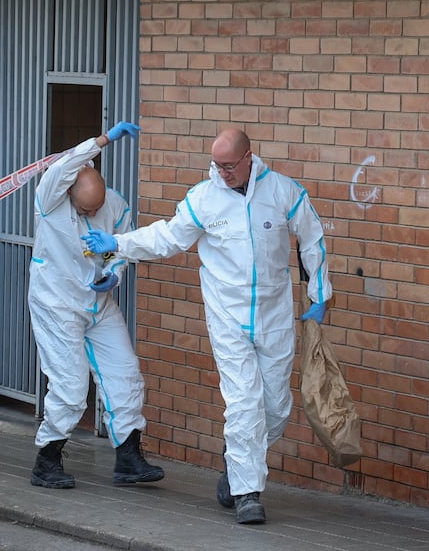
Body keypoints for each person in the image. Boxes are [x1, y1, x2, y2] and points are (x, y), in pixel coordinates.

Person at [83, 127, 332, 524]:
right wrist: (118, 243)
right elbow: (167, 237)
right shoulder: (204, 198)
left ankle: (236, 462)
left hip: (275, 316)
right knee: (244, 403)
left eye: (230, 165)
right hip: (228, 316)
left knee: (277, 408)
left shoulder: (283, 192)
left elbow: (312, 238)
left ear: (250, 157)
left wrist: (319, 295)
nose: (223, 172)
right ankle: (247, 493)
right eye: (218, 165)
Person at [27, 121, 165, 490]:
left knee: (125, 374)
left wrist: (115, 273)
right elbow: (63, 165)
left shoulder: (114, 205)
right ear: (70, 192)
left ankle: (129, 458)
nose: (93, 214)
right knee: (71, 386)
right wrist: (102, 140)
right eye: (86, 209)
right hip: (56, 303)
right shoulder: (50, 197)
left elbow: (122, 247)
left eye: (97, 208)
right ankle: (48, 459)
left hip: (98, 302)